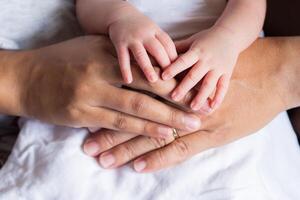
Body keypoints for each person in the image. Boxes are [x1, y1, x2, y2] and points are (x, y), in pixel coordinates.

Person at [76, 0, 266, 113]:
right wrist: (120, 17)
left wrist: (227, 37)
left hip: (214, 56)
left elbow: (250, 4)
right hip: (132, 77)